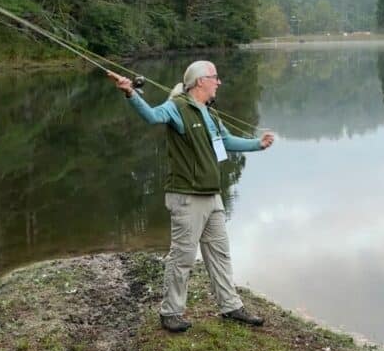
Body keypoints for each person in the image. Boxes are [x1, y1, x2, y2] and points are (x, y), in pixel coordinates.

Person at [108, 60, 274, 332]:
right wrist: (130, 93)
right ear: (200, 81)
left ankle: (230, 307)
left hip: (212, 196)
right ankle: (170, 312)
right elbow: (152, 116)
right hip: (186, 196)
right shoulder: (176, 107)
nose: (218, 82)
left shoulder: (210, 113)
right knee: (182, 256)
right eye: (214, 77)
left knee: (220, 254)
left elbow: (227, 141)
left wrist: (258, 144)